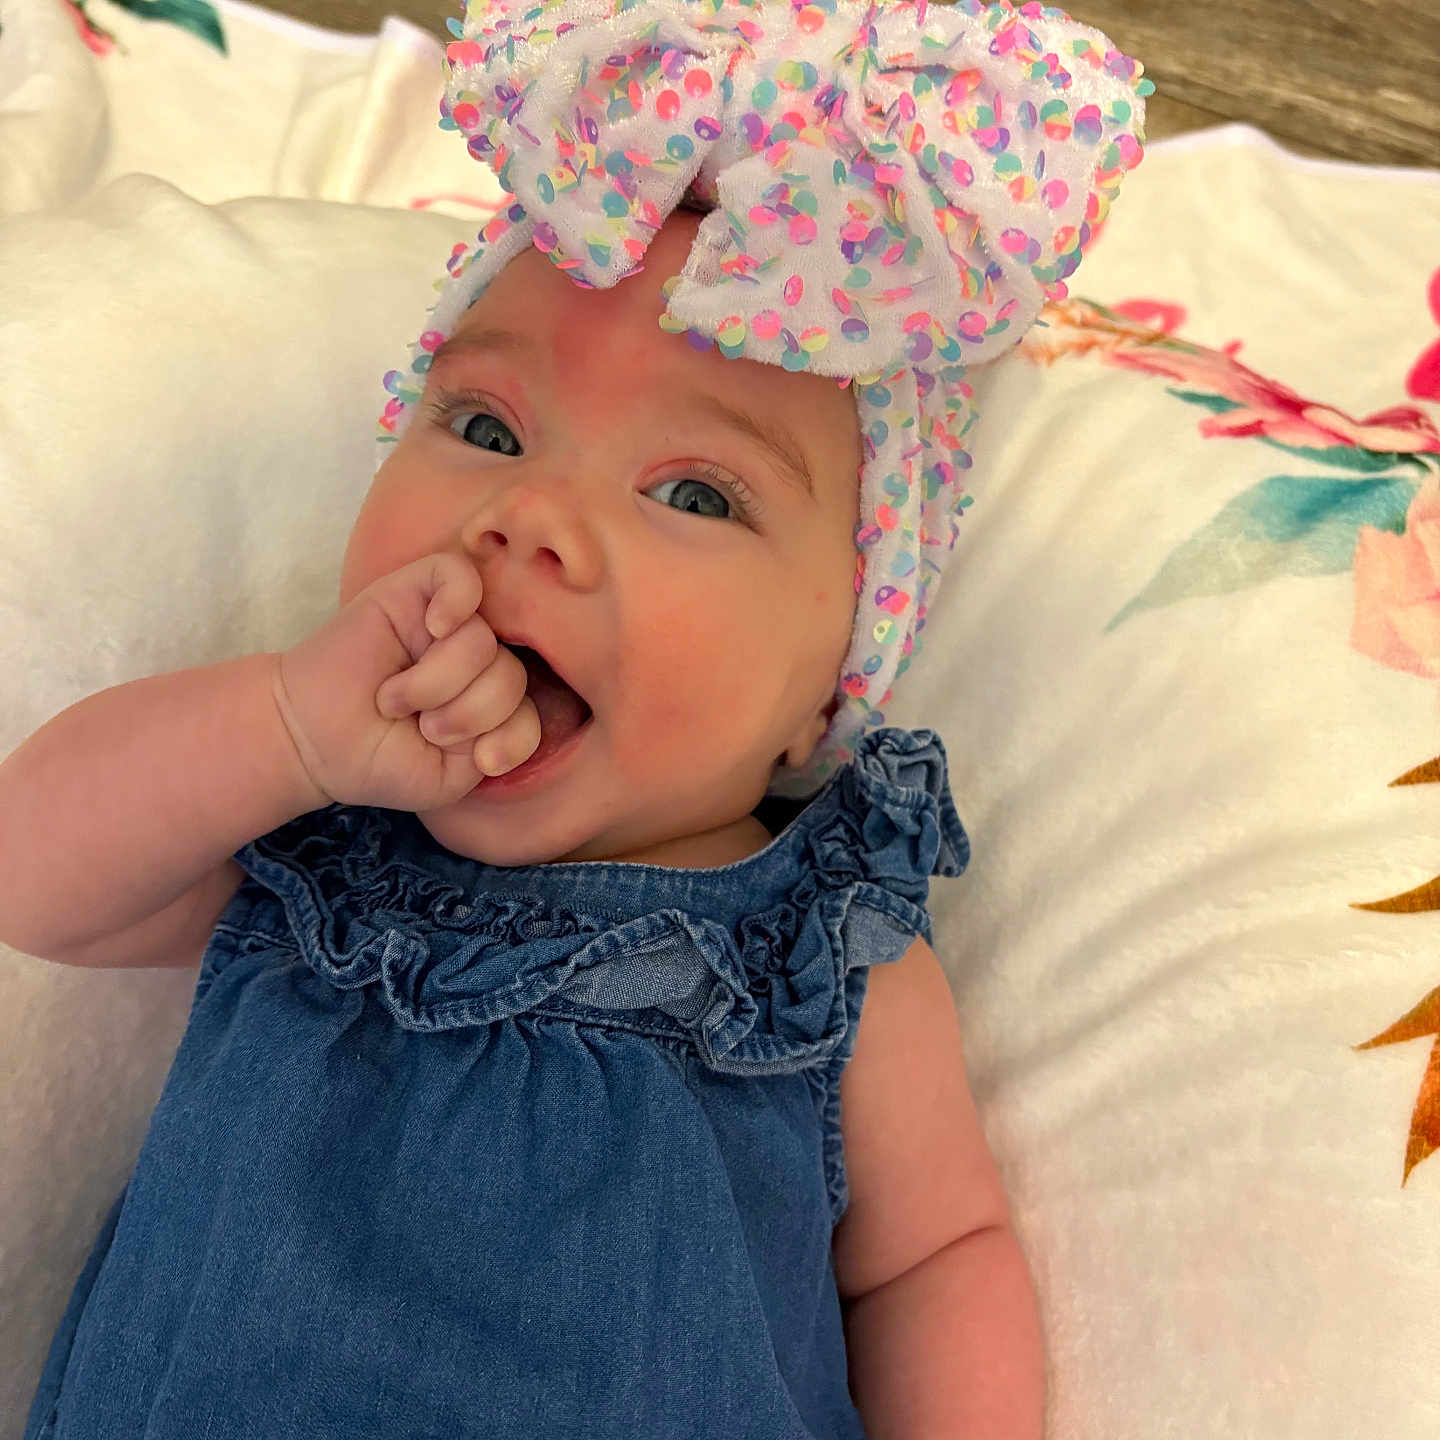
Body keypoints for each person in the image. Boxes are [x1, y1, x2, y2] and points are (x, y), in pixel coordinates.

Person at [2, 0, 1150, 1435]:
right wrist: (287, 726)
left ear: (830, 689)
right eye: (485, 427)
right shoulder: (317, 836)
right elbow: (36, 878)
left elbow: (936, 1257)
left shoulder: (819, 952)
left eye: (692, 494)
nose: (530, 517)